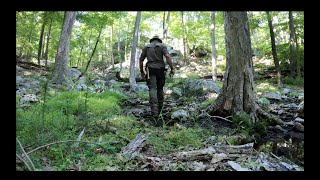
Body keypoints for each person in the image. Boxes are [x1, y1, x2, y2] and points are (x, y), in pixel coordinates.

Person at [139, 35, 175, 126]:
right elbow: (167, 56)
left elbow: (141, 60)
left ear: (151, 41)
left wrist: (142, 72)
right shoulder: (162, 46)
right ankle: (160, 111)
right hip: (160, 70)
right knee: (160, 89)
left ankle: (154, 113)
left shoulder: (146, 47)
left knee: (152, 89)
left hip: (150, 69)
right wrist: (172, 68)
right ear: (159, 40)